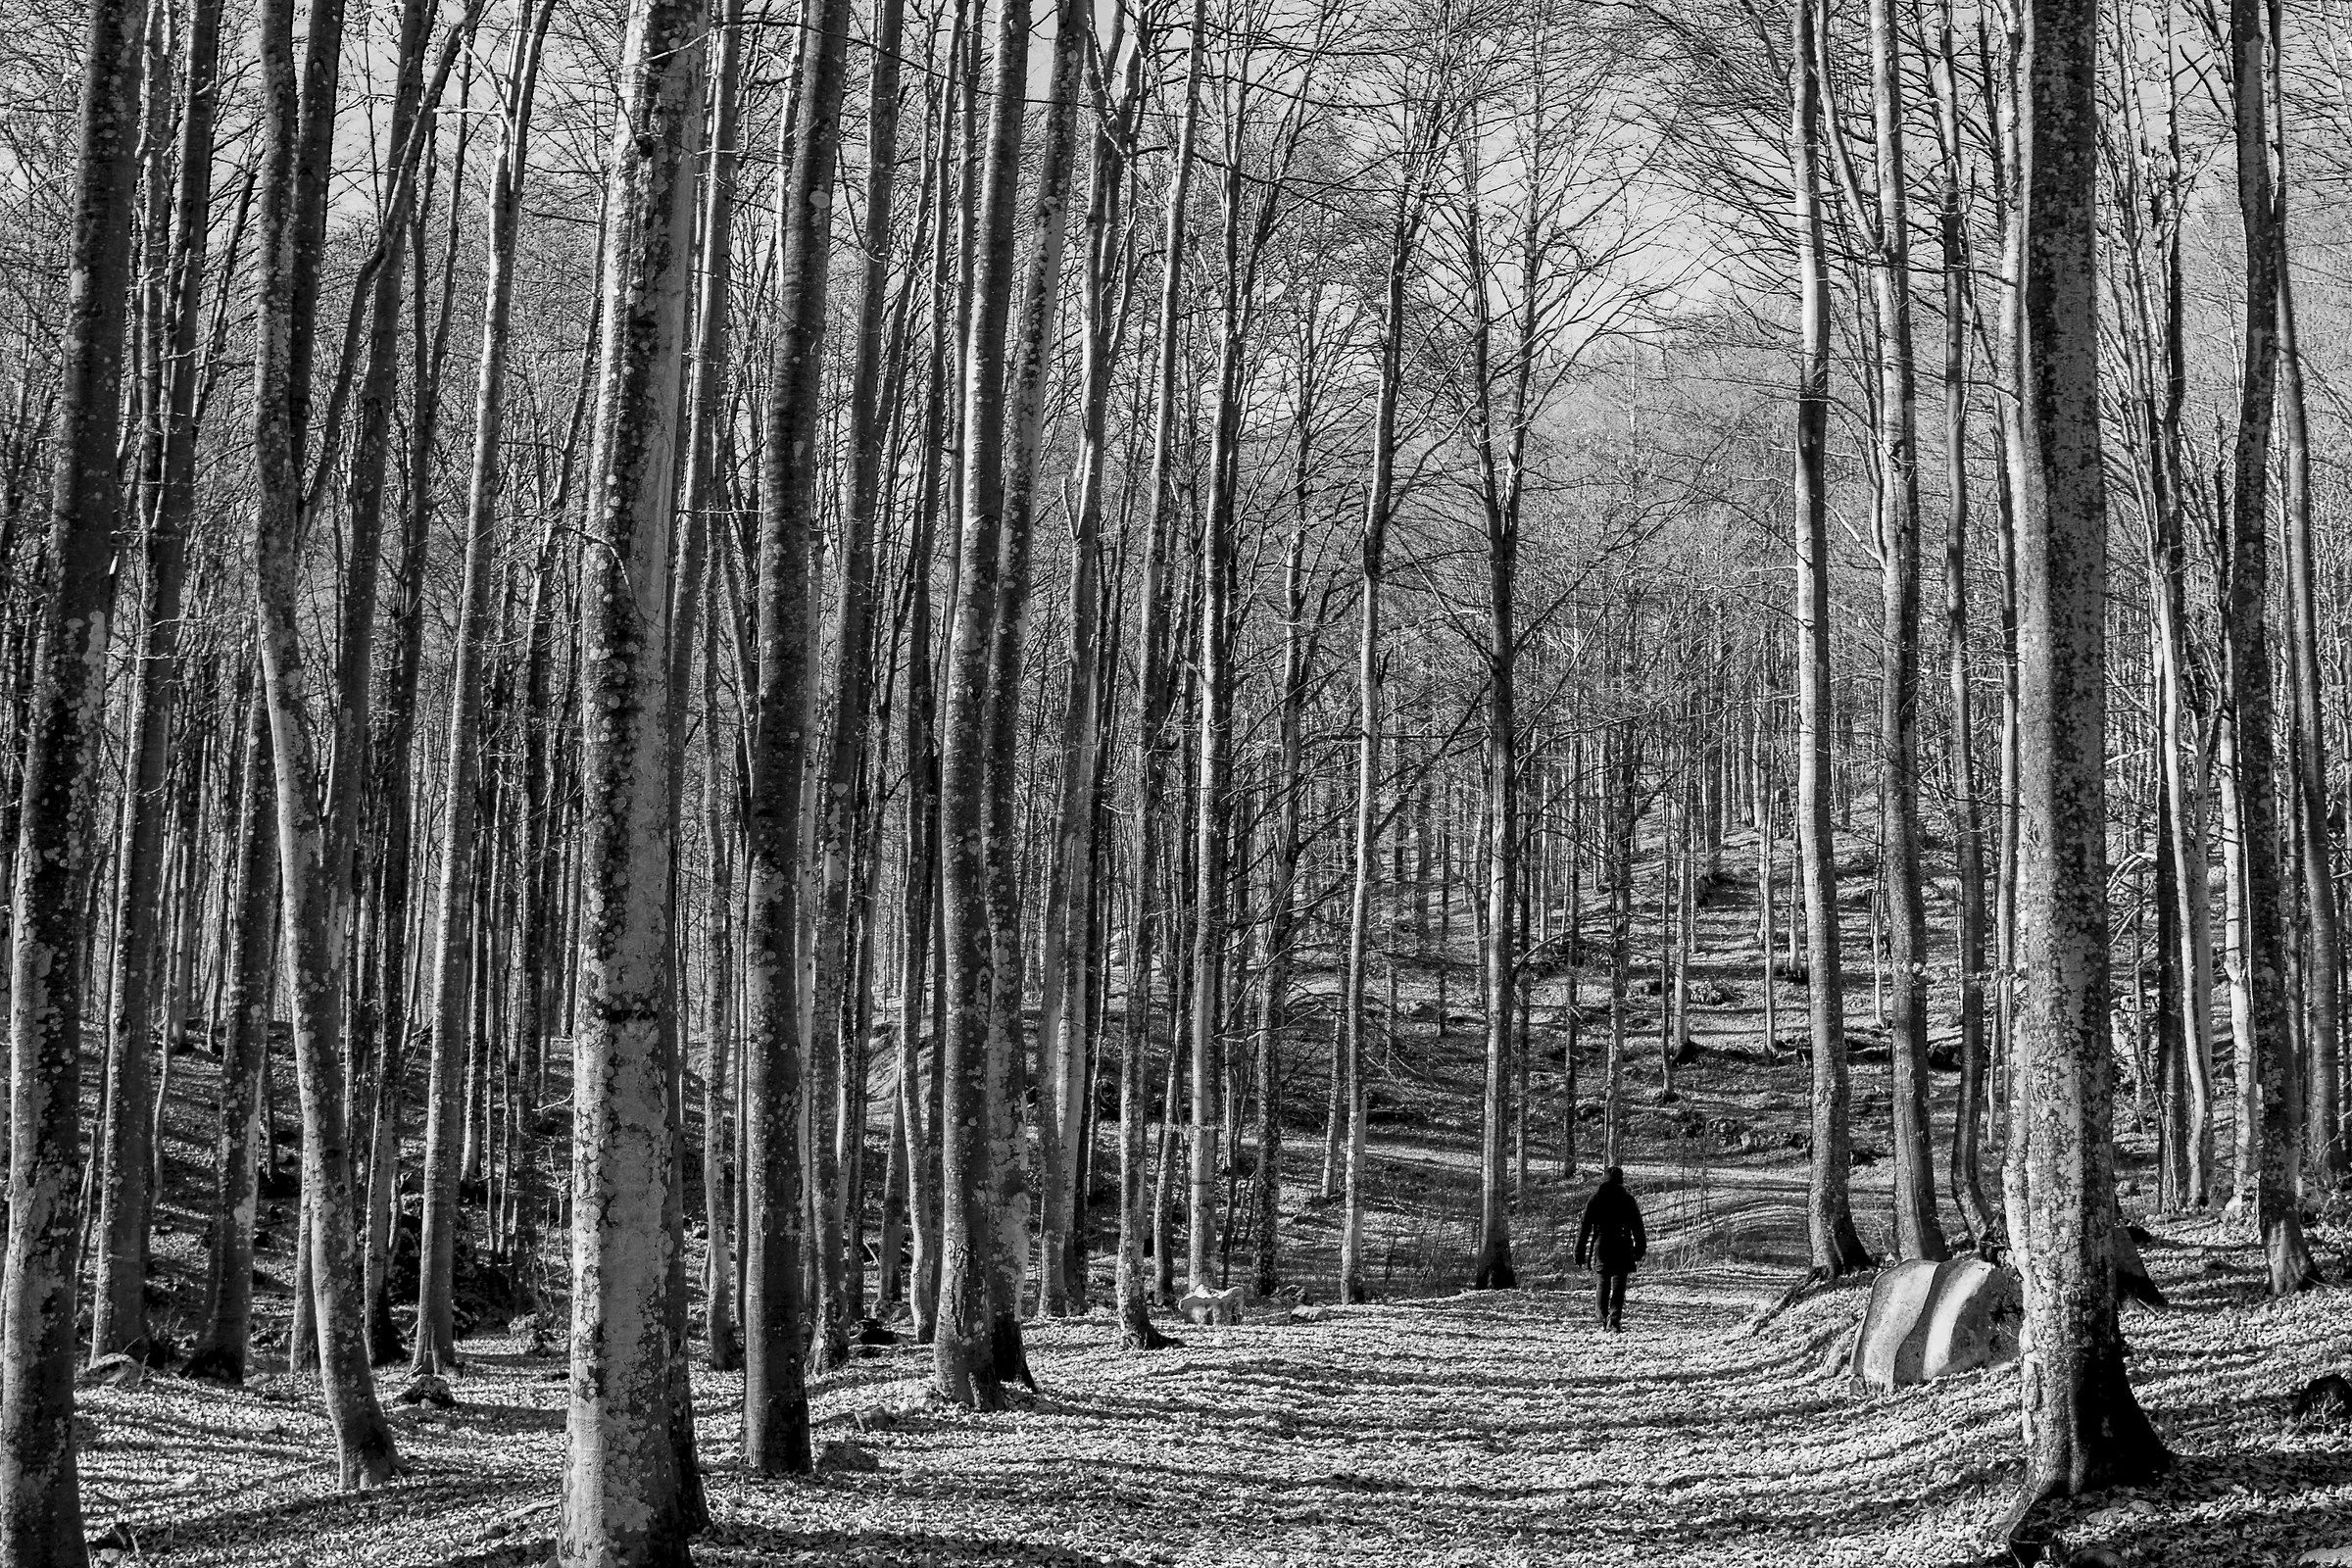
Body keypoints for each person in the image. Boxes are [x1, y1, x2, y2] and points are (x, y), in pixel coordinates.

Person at [1575, 1165, 1646, 1332]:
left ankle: (1602, 1317)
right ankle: (1614, 1320)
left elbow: (1584, 1227)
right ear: (1621, 1181)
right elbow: (1638, 1226)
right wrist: (1640, 1247)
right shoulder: (1628, 1200)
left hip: (1602, 1245)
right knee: (1619, 1284)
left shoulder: (1596, 1199)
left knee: (1603, 1282)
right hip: (1622, 1245)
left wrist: (1579, 1251)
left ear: (1604, 1179)